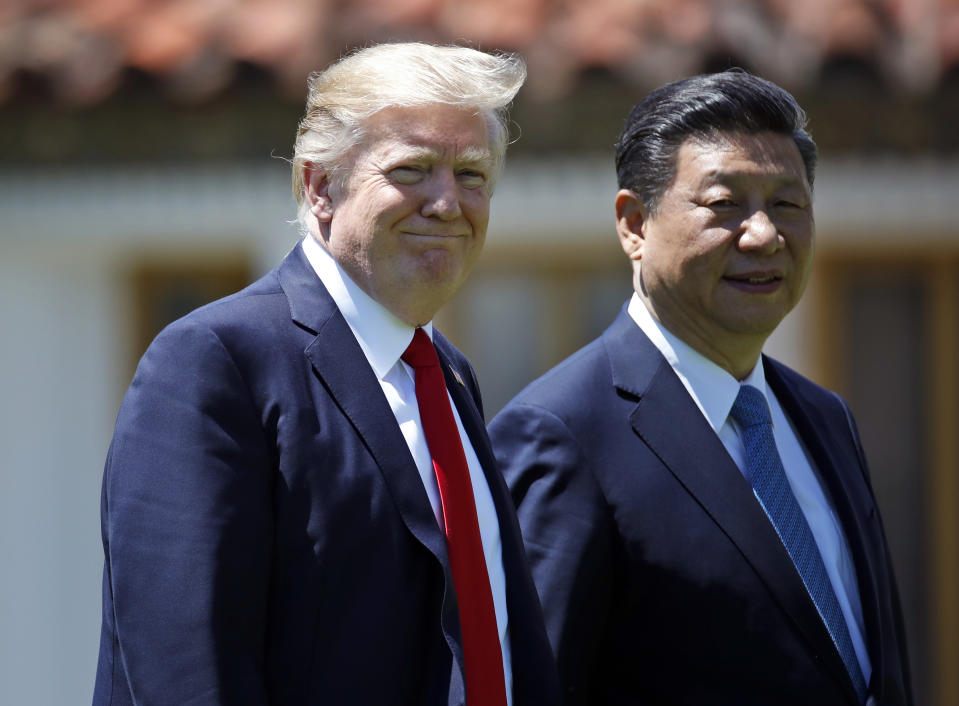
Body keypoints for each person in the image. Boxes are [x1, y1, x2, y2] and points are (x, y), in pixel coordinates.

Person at [94, 42, 560, 706]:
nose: (446, 202)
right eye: (413, 169)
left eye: (473, 175)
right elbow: (183, 665)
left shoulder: (446, 377)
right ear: (320, 186)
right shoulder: (216, 360)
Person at [489, 70, 912, 706]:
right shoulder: (564, 434)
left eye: (788, 204)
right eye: (724, 204)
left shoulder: (824, 418)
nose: (764, 234)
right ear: (634, 224)